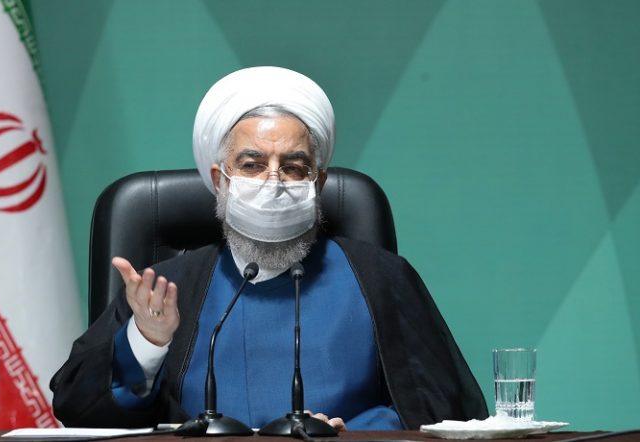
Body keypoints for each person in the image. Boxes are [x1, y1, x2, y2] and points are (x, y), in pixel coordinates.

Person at [50, 66, 488, 431]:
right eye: (253, 164)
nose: (274, 181)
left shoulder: (380, 277)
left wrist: (352, 433)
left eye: (294, 167)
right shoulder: (167, 288)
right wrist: (147, 340)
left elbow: (445, 412)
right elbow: (79, 410)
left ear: (318, 183)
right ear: (220, 180)